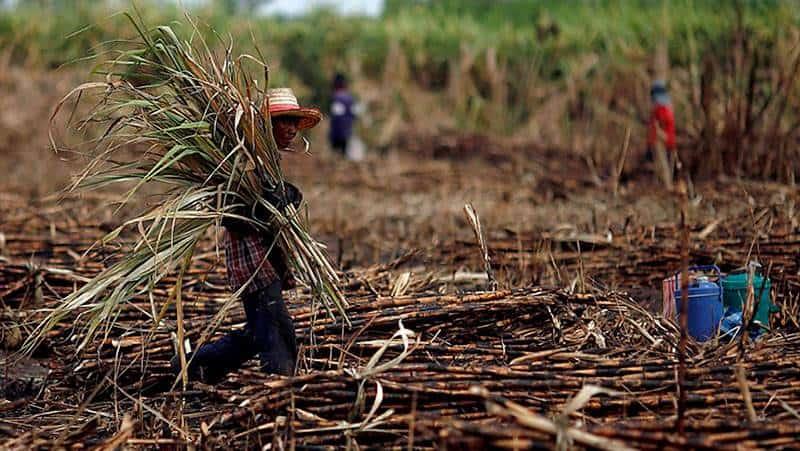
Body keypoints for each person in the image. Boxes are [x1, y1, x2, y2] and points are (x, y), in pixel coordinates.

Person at [171, 88, 322, 383]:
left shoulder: (266, 161)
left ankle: (191, 366)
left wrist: (285, 195)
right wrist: (264, 207)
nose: (291, 129)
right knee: (278, 332)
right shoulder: (242, 160)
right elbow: (227, 210)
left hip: (264, 258)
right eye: (284, 121)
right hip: (252, 260)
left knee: (258, 333)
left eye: (294, 121)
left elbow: (269, 199)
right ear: (265, 125)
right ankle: (280, 386)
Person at [646, 80, 678, 187]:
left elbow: (662, 125)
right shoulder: (666, 107)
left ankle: (668, 187)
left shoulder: (662, 108)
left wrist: (660, 135)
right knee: (662, 167)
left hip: (662, 140)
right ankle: (665, 187)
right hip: (665, 140)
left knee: (664, 167)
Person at [328, 73, 357, 156]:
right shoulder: (350, 97)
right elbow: (353, 115)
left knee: (337, 155)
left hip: (338, 132)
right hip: (348, 131)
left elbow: (336, 117)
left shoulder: (336, 97)